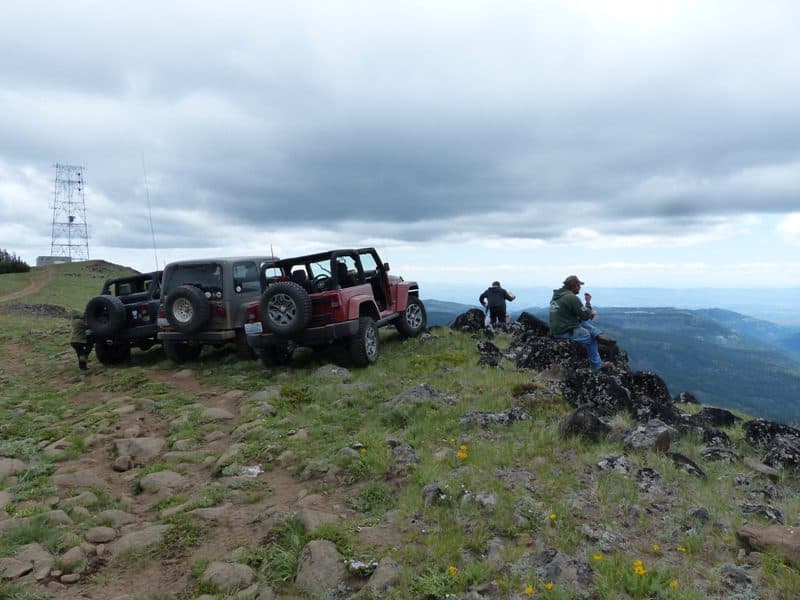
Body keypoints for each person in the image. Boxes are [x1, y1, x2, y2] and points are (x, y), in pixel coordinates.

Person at [549, 275, 614, 371]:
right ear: (574, 286)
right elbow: (585, 315)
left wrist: (587, 303)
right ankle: (597, 366)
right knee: (592, 339)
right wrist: (591, 311)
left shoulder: (557, 297)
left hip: (557, 329)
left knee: (582, 322)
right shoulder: (571, 298)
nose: (580, 288)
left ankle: (598, 333)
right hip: (565, 331)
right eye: (579, 286)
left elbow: (581, 316)